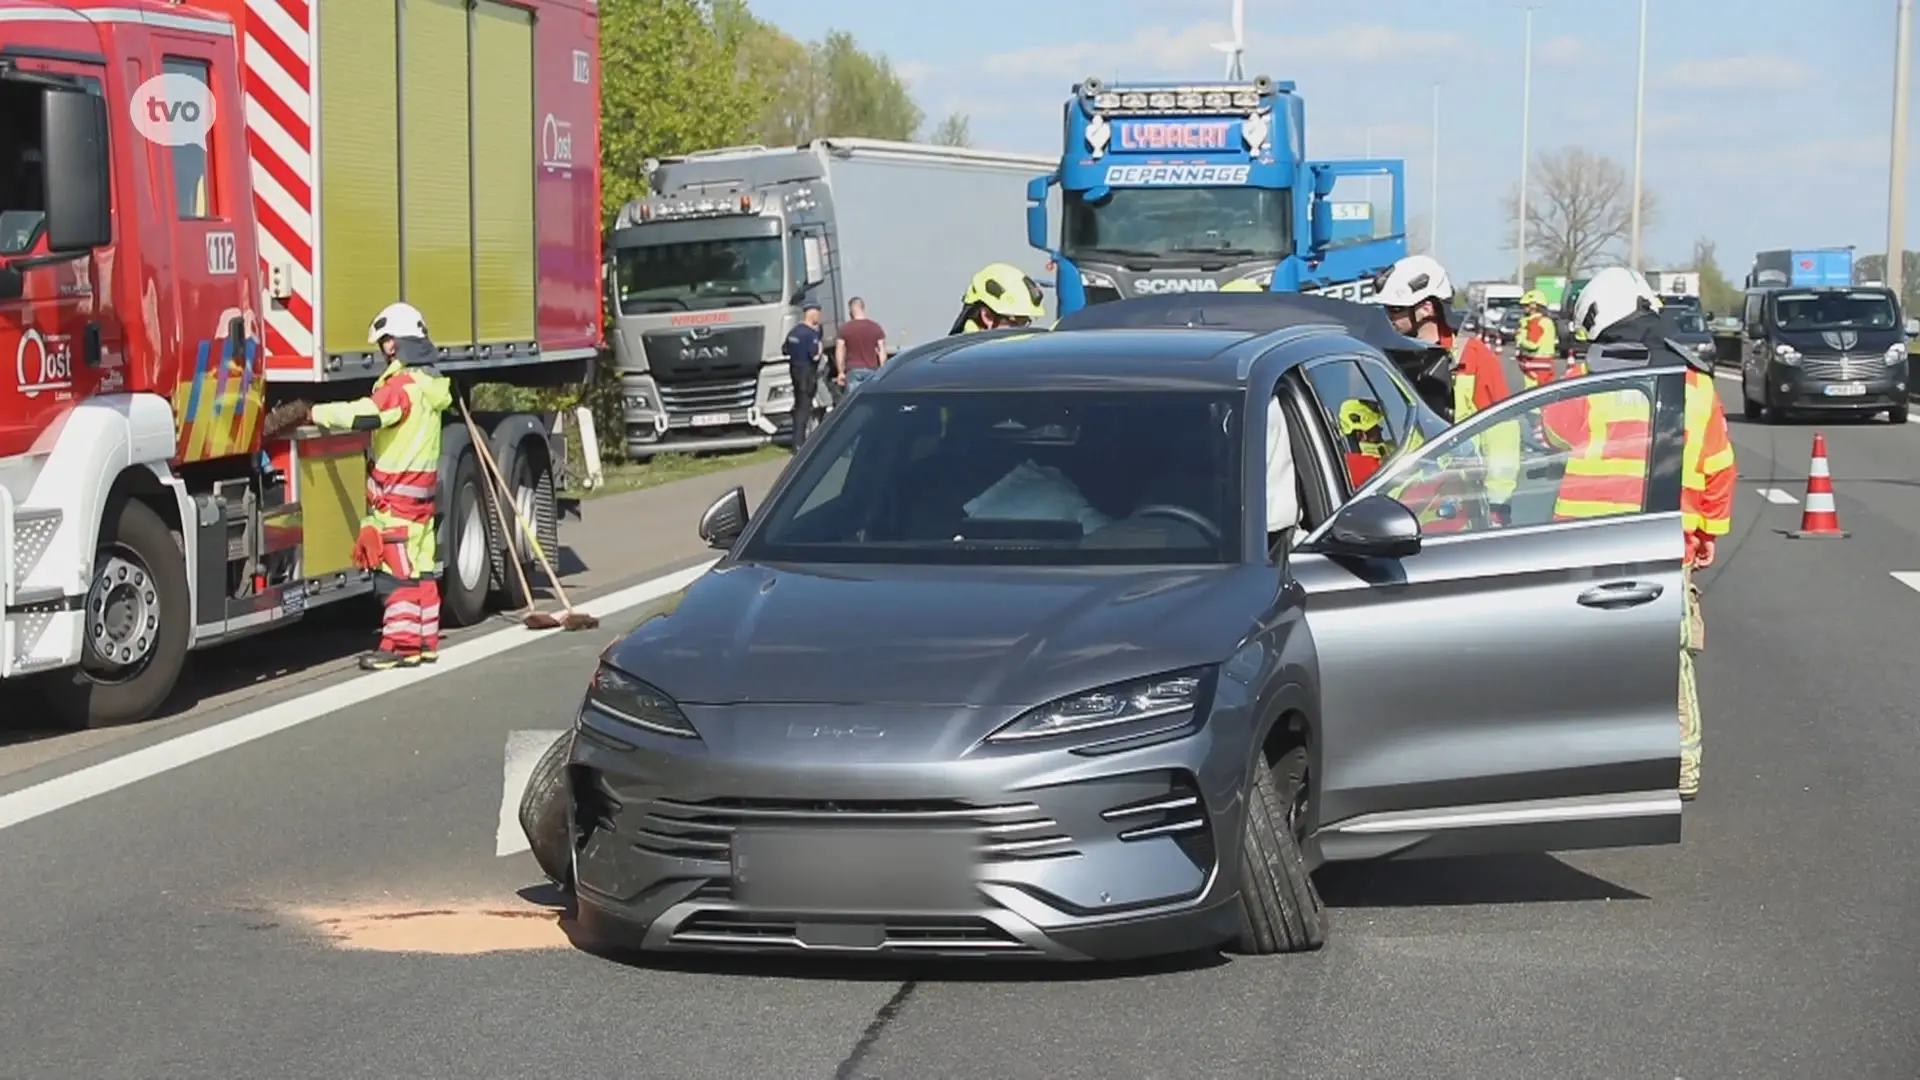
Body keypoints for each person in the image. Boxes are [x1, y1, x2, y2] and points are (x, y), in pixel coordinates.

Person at [1571, 267, 1735, 801]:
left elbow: (1543, 443)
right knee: (1670, 658)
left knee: (1589, 658)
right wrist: (1707, 532)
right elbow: (1718, 467)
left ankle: (1594, 764)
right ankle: (1682, 767)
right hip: (1667, 545)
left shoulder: (1581, 385)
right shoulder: (1696, 384)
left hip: (1587, 547)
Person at [262, 301, 454, 670]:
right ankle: (425, 642)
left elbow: (365, 414)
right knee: (421, 572)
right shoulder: (429, 386)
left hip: (396, 503)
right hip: (420, 501)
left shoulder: (401, 388)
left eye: (385, 342)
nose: (383, 350)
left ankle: (399, 647)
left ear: (395, 344)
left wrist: (315, 412)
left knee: (394, 578)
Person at [1373, 254, 1522, 523]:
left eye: (1395, 309)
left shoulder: (1473, 357)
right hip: (1397, 506)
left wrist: (1498, 502)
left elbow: (1502, 434)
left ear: (1426, 309)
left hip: (1456, 508)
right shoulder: (1383, 358)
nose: (1389, 316)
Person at [949, 263, 1046, 333]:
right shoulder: (972, 358)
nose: (1022, 332)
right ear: (987, 316)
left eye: (1024, 322)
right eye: (1017, 322)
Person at [783, 302, 824, 448]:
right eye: (818, 314)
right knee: (804, 407)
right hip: (807, 373)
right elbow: (814, 356)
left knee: (798, 403)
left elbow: (785, 350)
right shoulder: (810, 334)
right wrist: (819, 349)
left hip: (795, 370)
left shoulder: (793, 332)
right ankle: (799, 442)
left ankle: (797, 439)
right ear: (813, 314)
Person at [834, 297, 887, 395]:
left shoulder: (845, 328)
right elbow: (882, 350)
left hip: (853, 370)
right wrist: (883, 368)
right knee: (870, 399)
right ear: (863, 307)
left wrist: (840, 372)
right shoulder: (875, 327)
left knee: (854, 401)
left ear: (850, 310)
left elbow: (839, 351)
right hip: (872, 370)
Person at [1516, 288, 1560, 387]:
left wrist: (1520, 339)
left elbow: (1532, 345)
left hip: (1536, 366)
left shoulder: (1536, 322)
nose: (1524, 308)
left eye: (1526, 305)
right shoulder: (1546, 321)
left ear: (1533, 305)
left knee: (1532, 396)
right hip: (1545, 365)